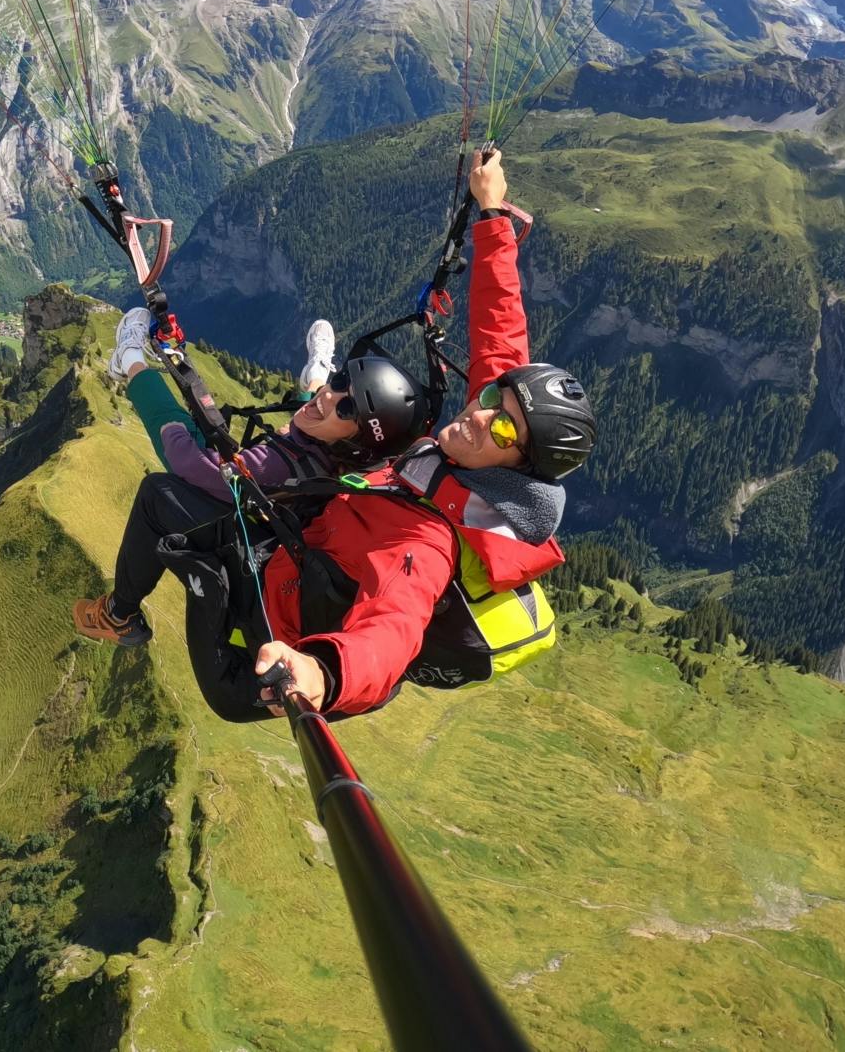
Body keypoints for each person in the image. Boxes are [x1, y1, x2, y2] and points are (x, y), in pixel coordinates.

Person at [77, 151, 599, 723]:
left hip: (266, 637)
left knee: (161, 499)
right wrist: (492, 214)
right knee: (340, 434)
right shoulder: (461, 457)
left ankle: (119, 616)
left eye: (502, 425)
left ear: (514, 468)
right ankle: (317, 381)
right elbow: (501, 338)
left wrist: (322, 673)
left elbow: (393, 628)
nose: (480, 413)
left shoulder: (427, 540)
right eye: (493, 399)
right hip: (304, 541)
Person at [73, 311, 428, 645]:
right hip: (278, 531)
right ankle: (316, 371)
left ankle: (118, 614)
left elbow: (190, 463)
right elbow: (322, 421)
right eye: (339, 382)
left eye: (347, 408)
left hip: (249, 555)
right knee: (311, 418)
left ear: (356, 443)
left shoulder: (277, 465)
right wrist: (331, 403)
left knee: (160, 488)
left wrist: (169, 419)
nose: (330, 396)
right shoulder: (352, 463)